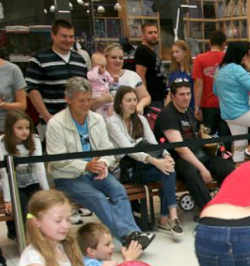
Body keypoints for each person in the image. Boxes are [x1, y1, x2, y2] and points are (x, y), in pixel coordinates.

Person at [46, 77, 155, 249]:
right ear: (68, 99)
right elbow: (57, 160)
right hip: (68, 177)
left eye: (89, 99)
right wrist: (85, 166)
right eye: (81, 100)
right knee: (97, 198)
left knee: (118, 190)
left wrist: (103, 163)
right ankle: (129, 236)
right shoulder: (56, 124)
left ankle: (132, 233)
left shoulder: (97, 119)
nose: (86, 104)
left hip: (97, 172)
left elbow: (108, 149)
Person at [106, 86, 182, 239]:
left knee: (168, 169)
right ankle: (165, 218)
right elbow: (129, 150)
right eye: (129, 100)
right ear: (119, 103)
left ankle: (170, 217)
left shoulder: (141, 119)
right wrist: (155, 161)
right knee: (165, 170)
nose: (133, 103)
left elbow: (153, 143)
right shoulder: (112, 122)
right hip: (127, 168)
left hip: (145, 163)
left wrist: (166, 156)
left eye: (135, 100)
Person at [155, 79, 234, 211]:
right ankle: (209, 210)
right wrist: (202, 169)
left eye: (188, 93)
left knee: (227, 166)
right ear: (173, 96)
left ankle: (230, 203)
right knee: (192, 173)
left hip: (198, 153)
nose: (186, 98)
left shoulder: (188, 111)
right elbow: (180, 149)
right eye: (181, 94)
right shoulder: (167, 115)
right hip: (177, 159)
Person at [26, 20, 92, 124]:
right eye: (64, 36)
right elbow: (32, 90)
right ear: (53, 35)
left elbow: (84, 89)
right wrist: (47, 116)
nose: (68, 40)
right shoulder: (39, 59)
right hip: (52, 120)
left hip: (78, 121)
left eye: (71, 36)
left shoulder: (80, 60)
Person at [0, 110, 49, 241]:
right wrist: (8, 199)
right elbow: (4, 172)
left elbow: (40, 168)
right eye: (19, 128)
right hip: (13, 183)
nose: (24, 131)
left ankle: (42, 238)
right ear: (10, 128)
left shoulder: (34, 139)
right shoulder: (2, 141)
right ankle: (28, 241)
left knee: (38, 207)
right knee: (25, 211)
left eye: (27, 127)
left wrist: (47, 192)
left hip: (32, 182)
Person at [213, 42, 250, 164]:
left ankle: (237, 175)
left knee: (239, 145)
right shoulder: (237, 69)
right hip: (241, 111)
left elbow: (215, 91)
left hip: (227, 114)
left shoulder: (219, 69)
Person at [193, 30, 229, 139]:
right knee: (226, 139)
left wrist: (197, 106)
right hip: (226, 105)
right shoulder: (228, 59)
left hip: (207, 106)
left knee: (207, 139)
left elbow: (198, 83)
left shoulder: (200, 59)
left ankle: (211, 156)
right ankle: (225, 154)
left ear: (210, 42)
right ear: (224, 44)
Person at [104, 43, 151, 115]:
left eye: (121, 58)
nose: (118, 60)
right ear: (105, 58)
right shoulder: (96, 77)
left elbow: (146, 97)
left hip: (129, 121)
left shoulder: (133, 76)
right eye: (113, 57)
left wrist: (140, 105)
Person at [134, 22, 168, 106]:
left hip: (158, 97)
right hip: (152, 99)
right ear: (143, 36)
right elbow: (140, 76)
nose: (154, 35)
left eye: (155, 32)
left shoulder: (150, 51)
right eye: (150, 33)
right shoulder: (142, 51)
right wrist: (145, 97)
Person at [167, 39, 193, 109]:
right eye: (173, 52)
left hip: (191, 109)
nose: (174, 55)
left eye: (177, 52)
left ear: (185, 52)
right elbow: (170, 94)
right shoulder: (173, 73)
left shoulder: (193, 71)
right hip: (176, 110)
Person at [87, 53, 113, 117]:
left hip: (105, 93)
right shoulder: (91, 73)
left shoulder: (105, 73)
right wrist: (96, 69)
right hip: (96, 94)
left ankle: (110, 118)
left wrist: (115, 79)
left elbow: (111, 80)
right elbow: (94, 78)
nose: (102, 69)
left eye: (104, 67)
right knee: (99, 111)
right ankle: (100, 119)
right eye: (99, 67)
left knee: (111, 104)